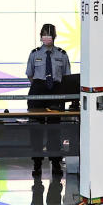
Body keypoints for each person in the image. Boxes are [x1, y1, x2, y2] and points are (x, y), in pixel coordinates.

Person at [26, 23, 70, 177]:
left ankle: (56, 162)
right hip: (38, 90)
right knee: (36, 129)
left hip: (56, 91)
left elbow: (66, 77)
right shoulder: (34, 54)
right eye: (44, 34)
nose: (47, 37)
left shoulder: (62, 54)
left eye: (49, 35)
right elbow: (30, 74)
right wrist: (41, 86)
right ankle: (37, 163)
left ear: (54, 37)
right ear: (40, 36)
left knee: (54, 129)